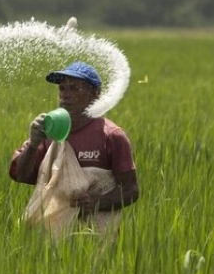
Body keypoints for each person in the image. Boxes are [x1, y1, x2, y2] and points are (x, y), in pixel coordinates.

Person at [9, 62, 139, 231]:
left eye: (75, 89)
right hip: (50, 236)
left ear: (95, 94)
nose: (65, 95)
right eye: (62, 89)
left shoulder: (111, 136)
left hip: (95, 236)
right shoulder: (48, 132)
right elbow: (20, 175)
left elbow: (131, 190)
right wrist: (33, 144)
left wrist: (97, 202)